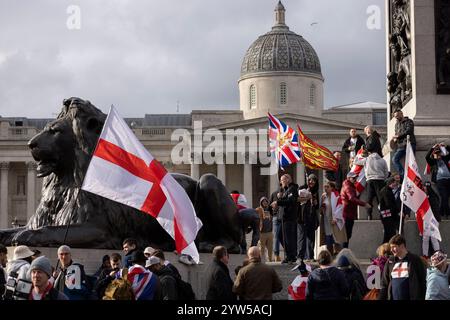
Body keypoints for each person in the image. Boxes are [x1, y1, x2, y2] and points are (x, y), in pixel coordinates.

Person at [379, 234, 426, 300]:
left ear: (402, 246)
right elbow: (384, 284)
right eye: (391, 247)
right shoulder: (390, 262)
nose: (391, 250)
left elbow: (423, 282)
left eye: (394, 247)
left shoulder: (415, 260)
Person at [271, 174, 298, 264]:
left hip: (289, 218)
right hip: (283, 218)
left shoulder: (292, 189)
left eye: (282, 180)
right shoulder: (286, 190)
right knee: (280, 236)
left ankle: (291, 256)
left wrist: (278, 202)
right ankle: (289, 255)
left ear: (288, 180)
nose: (281, 182)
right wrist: (280, 197)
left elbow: (291, 201)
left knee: (288, 238)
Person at [340, 172, 371, 248]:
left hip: (349, 213)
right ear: (348, 178)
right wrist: (364, 204)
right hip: (347, 213)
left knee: (347, 235)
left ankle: (344, 252)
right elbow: (352, 198)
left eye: (356, 178)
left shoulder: (349, 185)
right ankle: (343, 253)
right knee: (346, 235)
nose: (355, 179)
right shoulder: (348, 186)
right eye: (353, 178)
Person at [319, 182, 347, 256]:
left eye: (327, 187)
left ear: (332, 188)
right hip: (326, 221)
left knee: (336, 240)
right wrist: (322, 208)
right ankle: (330, 257)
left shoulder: (336, 196)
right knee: (328, 240)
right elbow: (320, 209)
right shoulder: (323, 196)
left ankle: (338, 257)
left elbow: (340, 207)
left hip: (334, 221)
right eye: (325, 187)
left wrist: (336, 218)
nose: (325, 188)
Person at [297, 174, 320, 262]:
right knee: (302, 237)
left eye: (314, 180)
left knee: (311, 237)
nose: (312, 182)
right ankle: (300, 256)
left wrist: (315, 201)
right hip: (302, 216)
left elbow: (316, 206)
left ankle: (310, 256)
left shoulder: (315, 191)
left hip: (311, 216)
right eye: (310, 180)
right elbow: (297, 199)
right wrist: (307, 196)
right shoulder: (302, 188)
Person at [425, 143, 450, 219]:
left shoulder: (445, 158)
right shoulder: (432, 161)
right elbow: (426, 157)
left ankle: (441, 212)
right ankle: (448, 213)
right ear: (434, 154)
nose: (437, 155)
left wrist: (446, 146)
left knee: (445, 197)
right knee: (444, 196)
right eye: (436, 154)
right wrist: (433, 148)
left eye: (439, 153)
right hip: (440, 181)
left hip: (449, 180)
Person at [364, 149, 389, 220]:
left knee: (369, 199)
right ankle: (382, 215)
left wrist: (360, 153)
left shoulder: (367, 159)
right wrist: (383, 178)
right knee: (381, 199)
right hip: (380, 180)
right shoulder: (383, 160)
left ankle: (369, 215)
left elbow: (356, 161)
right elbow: (386, 172)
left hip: (370, 181)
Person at [391, 109, 416, 178]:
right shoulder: (396, 124)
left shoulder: (409, 121)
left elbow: (409, 130)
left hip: (410, 143)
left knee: (411, 162)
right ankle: (404, 175)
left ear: (401, 114)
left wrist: (399, 136)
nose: (396, 117)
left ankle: (413, 177)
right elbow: (396, 133)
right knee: (394, 159)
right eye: (395, 116)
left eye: (397, 115)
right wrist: (395, 139)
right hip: (400, 145)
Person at [378, 177, 400, 243]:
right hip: (388, 216)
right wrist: (397, 211)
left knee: (388, 235)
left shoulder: (387, 190)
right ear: (390, 183)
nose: (395, 184)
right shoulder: (386, 191)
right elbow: (389, 204)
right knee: (390, 235)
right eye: (393, 183)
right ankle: (385, 250)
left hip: (388, 216)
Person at [256, 197, 273, 262]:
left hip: (269, 232)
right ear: (261, 202)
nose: (265, 203)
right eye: (263, 201)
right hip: (262, 232)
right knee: (262, 248)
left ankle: (270, 260)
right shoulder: (258, 209)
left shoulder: (270, 209)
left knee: (270, 248)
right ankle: (262, 260)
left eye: (266, 201)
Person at [269, 187, 282, 262]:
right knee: (278, 237)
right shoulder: (275, 194)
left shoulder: (274, 193)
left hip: (277, 217)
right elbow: (270, 206)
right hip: (279, 217)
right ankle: (277, 255)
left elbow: (269, 206)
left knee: (277, 237)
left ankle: (277, 255)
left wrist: (272, 213)